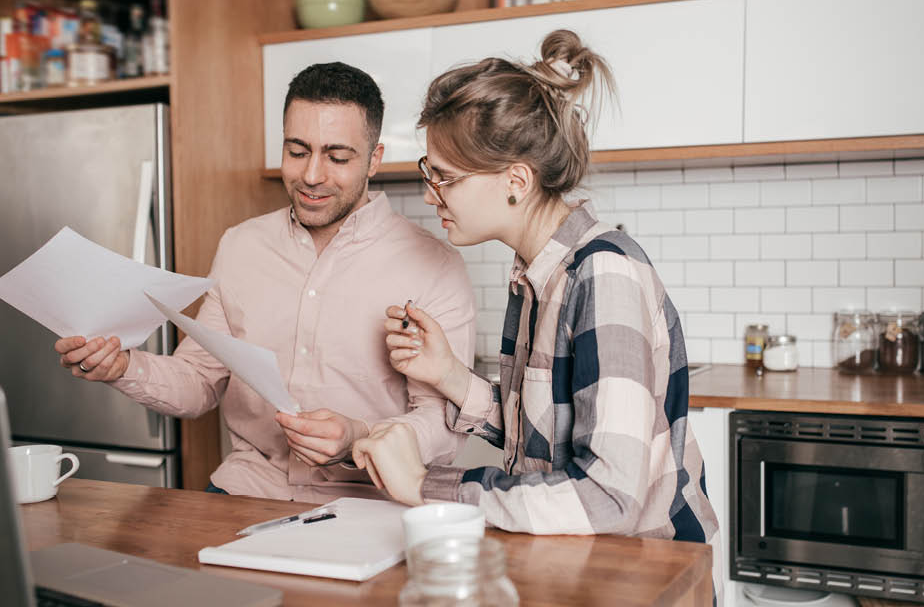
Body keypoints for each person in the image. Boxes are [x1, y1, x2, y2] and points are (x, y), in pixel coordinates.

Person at [351, 29, 720, 580]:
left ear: (516, 181)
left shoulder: (604, 273)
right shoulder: (537, 277)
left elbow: (609, 496)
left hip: (646, 576)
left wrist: (427, 487)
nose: (431, 194)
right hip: (581, 564)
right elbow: (550, 435)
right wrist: (449, 375)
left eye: (445, 177)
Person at [53, 62, 476, 503]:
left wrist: (358, 438)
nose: (312, 175)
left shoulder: (434, 264)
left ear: (374, 160)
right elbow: (198, 382)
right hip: (246, 491)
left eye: (337, 157)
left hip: (369, 502)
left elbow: (444, 424)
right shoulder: (241, 245)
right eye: (297, 151)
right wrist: (122, 367)